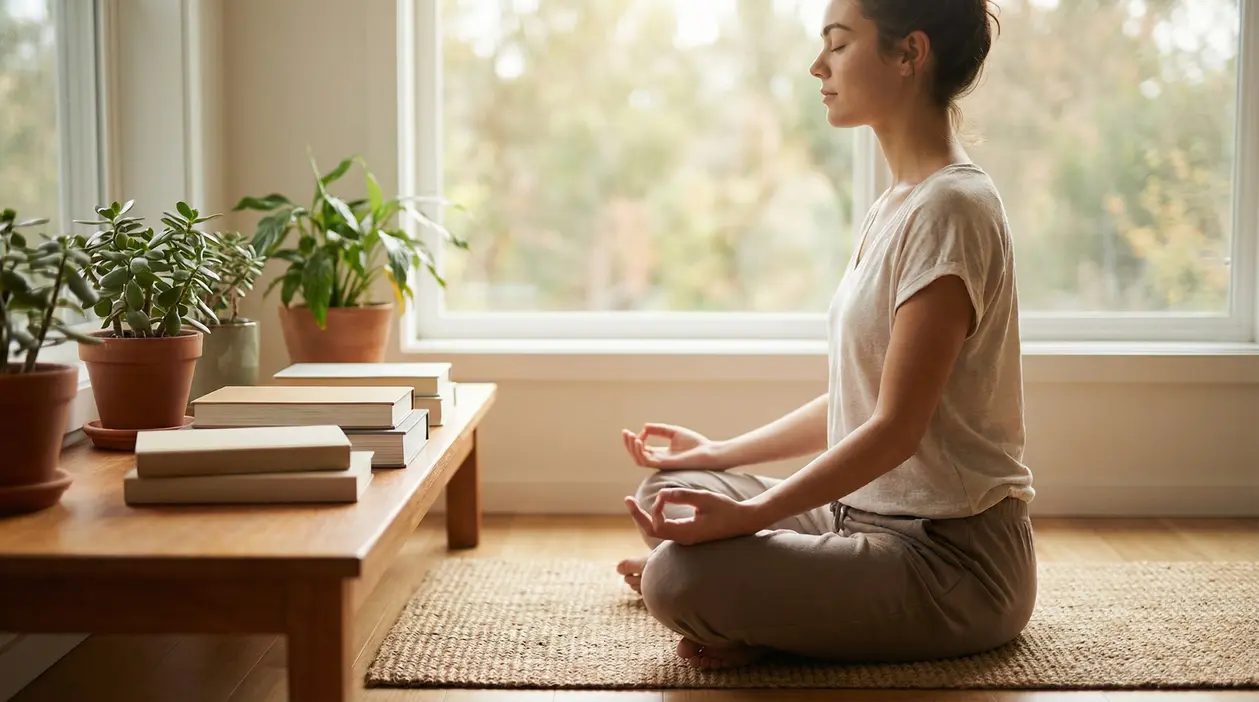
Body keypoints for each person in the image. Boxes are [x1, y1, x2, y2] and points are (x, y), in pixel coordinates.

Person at [617, 0, 1037, 671]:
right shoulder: (896, 204)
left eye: (838, 45)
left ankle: (743, 610)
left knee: (676, 578)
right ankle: (760, 608)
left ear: (908, 54)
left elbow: (895, 428)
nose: (818, 65)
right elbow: (859, 399)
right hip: (856, 521)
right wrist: (720, 452)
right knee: (677, 488)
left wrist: (749, 521)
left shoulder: (952, 209)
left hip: (949, 564)